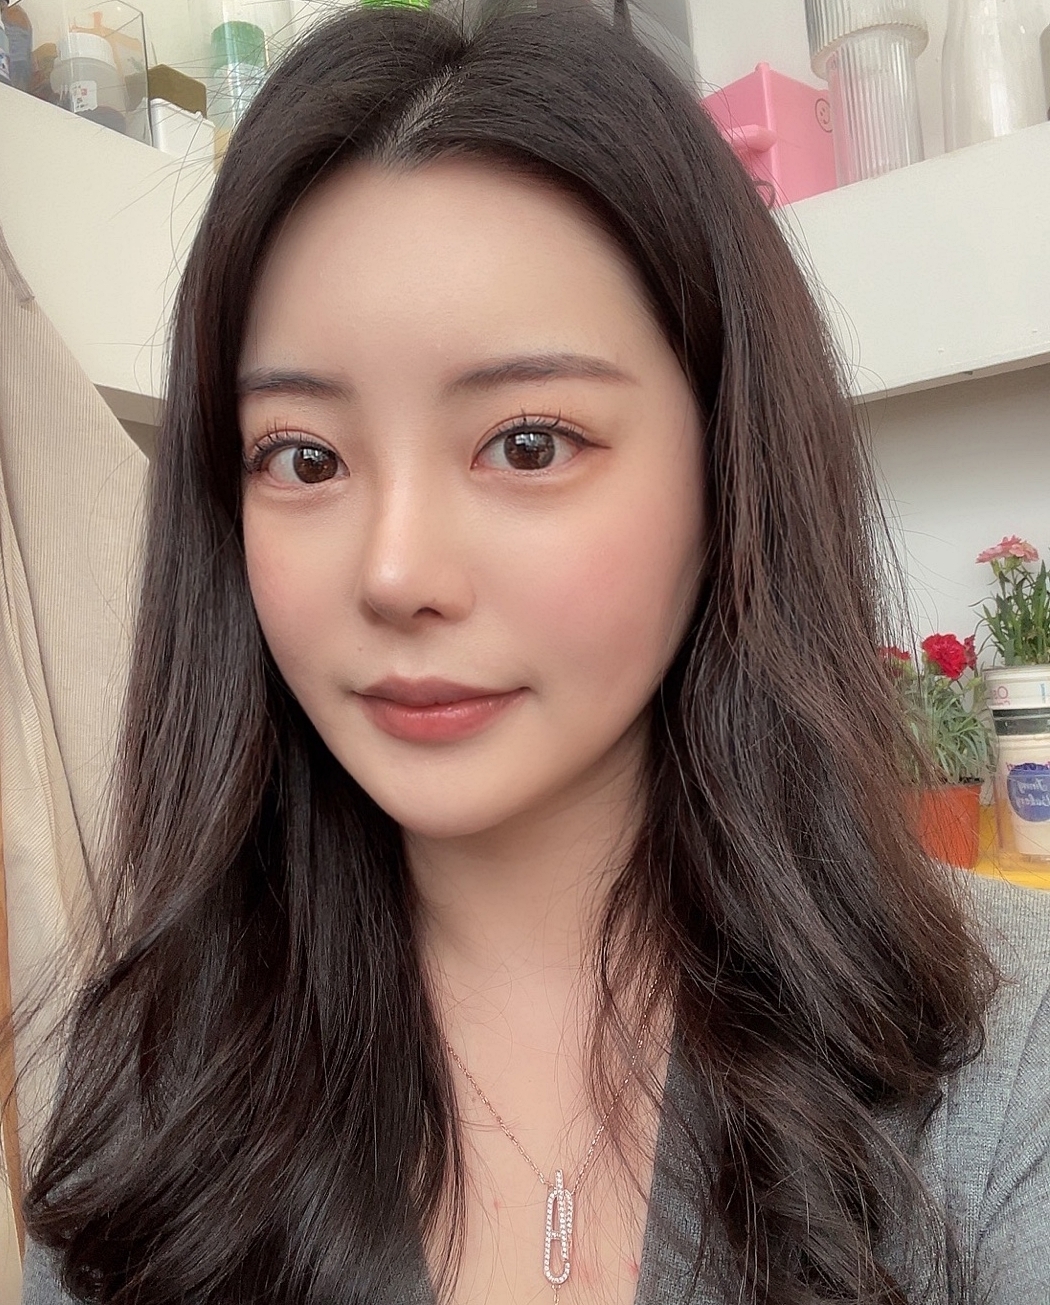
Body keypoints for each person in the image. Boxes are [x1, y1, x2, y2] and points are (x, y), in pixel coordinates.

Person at [15, 5, 1050, 1304]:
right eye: (305, 458)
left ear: (725, 466)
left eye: (527, 443)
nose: (396, 573)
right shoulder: (159, 1085)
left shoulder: (1006, 1058)